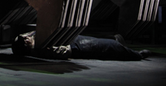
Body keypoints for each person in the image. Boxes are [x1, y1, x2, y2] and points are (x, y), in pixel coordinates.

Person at [12, 31, 151, 61]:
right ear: (26, 45)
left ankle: (130, 51)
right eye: (26, 39)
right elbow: (63, 53)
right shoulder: (39, 49)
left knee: (105, 41)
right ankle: (137, 55)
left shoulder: (34, 40)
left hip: (73, 41)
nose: (27, 37)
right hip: (76, 47)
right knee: (110, 46)